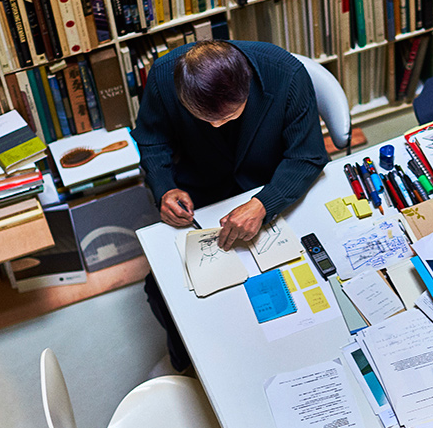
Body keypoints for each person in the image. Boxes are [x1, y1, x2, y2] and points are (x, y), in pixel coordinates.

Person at [132, 40, 330, 370]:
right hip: (202, 189)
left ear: (247, 83)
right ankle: (188, 364)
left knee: (296, 278)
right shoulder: (163, 76)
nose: (215, 126)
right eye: (205, 119)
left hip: (272, 180)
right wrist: (164, 189)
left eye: (226, 117)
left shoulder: (287, 74)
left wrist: (264, 203)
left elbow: (307, 155)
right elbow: (152, 140)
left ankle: (284, 354)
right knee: (164, 290)